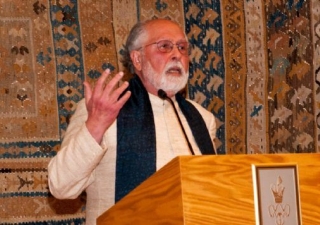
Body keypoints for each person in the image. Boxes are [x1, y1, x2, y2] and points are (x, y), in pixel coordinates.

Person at [48, 18, 217, 225]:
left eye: (182, 48)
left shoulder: (201, 118)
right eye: (165, 46)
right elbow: (61, 186)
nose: (177, 55)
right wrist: (96, 125)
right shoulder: (102, 108)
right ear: (137, 59)